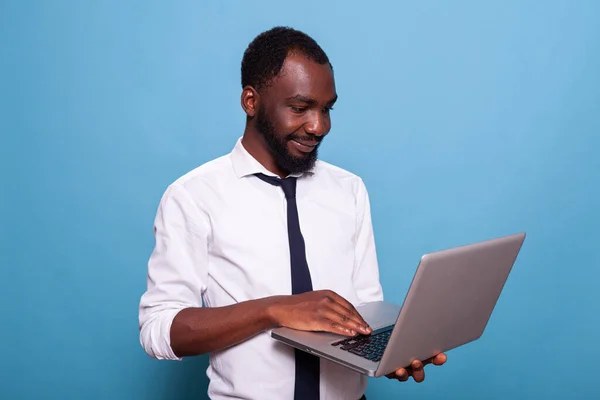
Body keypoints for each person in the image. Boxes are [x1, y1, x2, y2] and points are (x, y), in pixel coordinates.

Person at [138, 26, 446, 400]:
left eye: (327, 109)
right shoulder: (193, 196)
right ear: (251, 101)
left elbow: (366, 308)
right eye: (300, 108)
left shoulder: (349, 189)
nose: (318, 126)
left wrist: (391, 350)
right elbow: (159, 329)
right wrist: (275, 309)